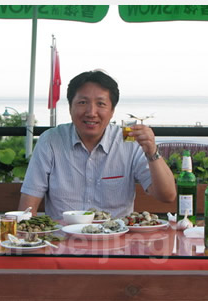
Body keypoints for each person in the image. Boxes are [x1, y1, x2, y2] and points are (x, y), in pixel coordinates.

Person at [18, 70, 176, 220]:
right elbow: (27, 207)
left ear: (112, 111)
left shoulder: (128, 140)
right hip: (62, 241)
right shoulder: (51, 140)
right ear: (70, 107)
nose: (91, 112)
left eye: (101, 104)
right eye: (82, 102)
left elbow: (167, 195)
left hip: (116, 242)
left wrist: (152, 152)